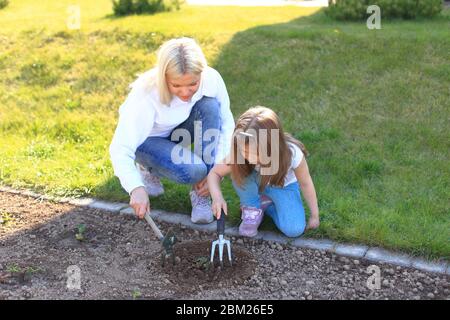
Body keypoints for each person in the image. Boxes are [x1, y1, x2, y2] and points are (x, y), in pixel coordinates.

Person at [109, 37, 235, 224]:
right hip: (147, 141)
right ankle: (146, 167)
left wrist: (215, 173)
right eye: (176, 85)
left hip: (178, 130)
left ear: (201, 73)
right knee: (194, 170)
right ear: (164, 77)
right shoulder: (145, 94)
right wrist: (135, 187)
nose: (185, 92)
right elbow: (120, 148)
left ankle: (201, 193)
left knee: (209, 106)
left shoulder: (211, 79)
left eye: (192, 84)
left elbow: (226, 124)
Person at [207, 106, 320, 237]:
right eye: (245, 152)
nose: (249, 157)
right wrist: (217, 197)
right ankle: (252, 208)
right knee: (240, 171)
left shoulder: (292, 154)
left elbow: (306, 183)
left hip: (283, 187)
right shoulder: (241, 151)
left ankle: (267, 205)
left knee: (294, 230)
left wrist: (314, 215)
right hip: (255, 182)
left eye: (255, 153)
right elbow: (214, 173)